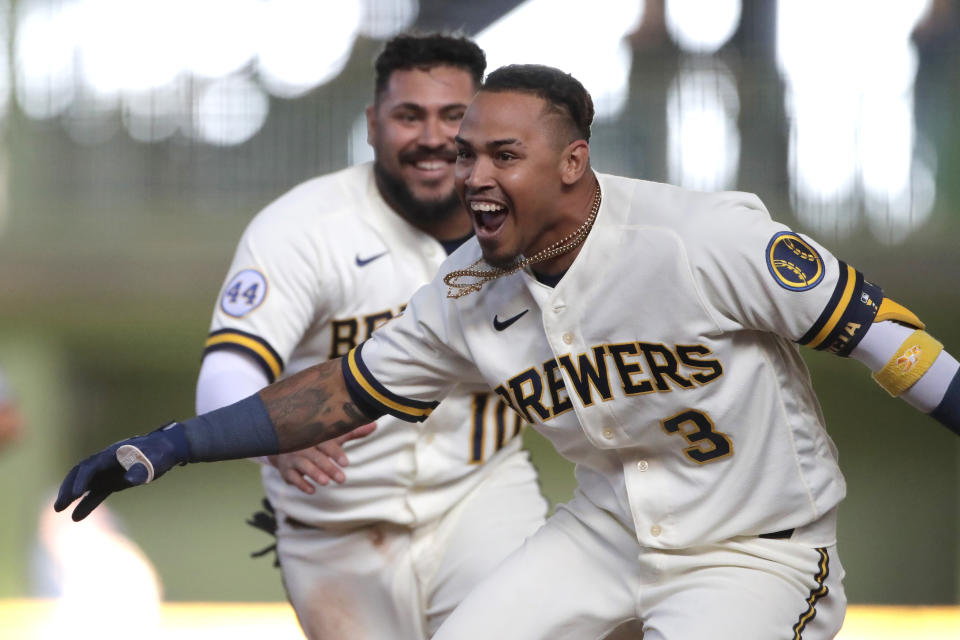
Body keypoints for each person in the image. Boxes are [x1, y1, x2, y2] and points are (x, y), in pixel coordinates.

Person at [56, 64, 960, 639]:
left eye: (502, 155)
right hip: (607, 532)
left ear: (573, 162)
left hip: (756, 546)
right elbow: (342, 392)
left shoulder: (704, 237)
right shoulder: (466, 291)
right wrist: (171, 443)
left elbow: (895, 347)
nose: (473, 177)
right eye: (466, 155)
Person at [193, 34, 548, 639]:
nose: (433, 137)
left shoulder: (537, 223)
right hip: (332, 530)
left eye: (454, 116)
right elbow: (226, 371)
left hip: (482, 497)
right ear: (373, 125)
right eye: (409, 115)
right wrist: (271, 431)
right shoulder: (304, 225)